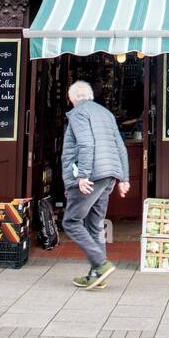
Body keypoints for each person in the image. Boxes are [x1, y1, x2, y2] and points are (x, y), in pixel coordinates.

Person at [61, 80, 130, 289]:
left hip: (90, 177)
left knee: (71, 221)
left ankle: (100, 264)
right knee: (95, 223)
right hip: (107, 176)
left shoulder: (78, 114)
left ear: (72, 98)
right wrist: (124, 178)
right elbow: (120, 146)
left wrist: (82, 175)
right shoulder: (106, 114)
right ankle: (95, 275)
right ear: (90, 95)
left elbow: (85, 143)